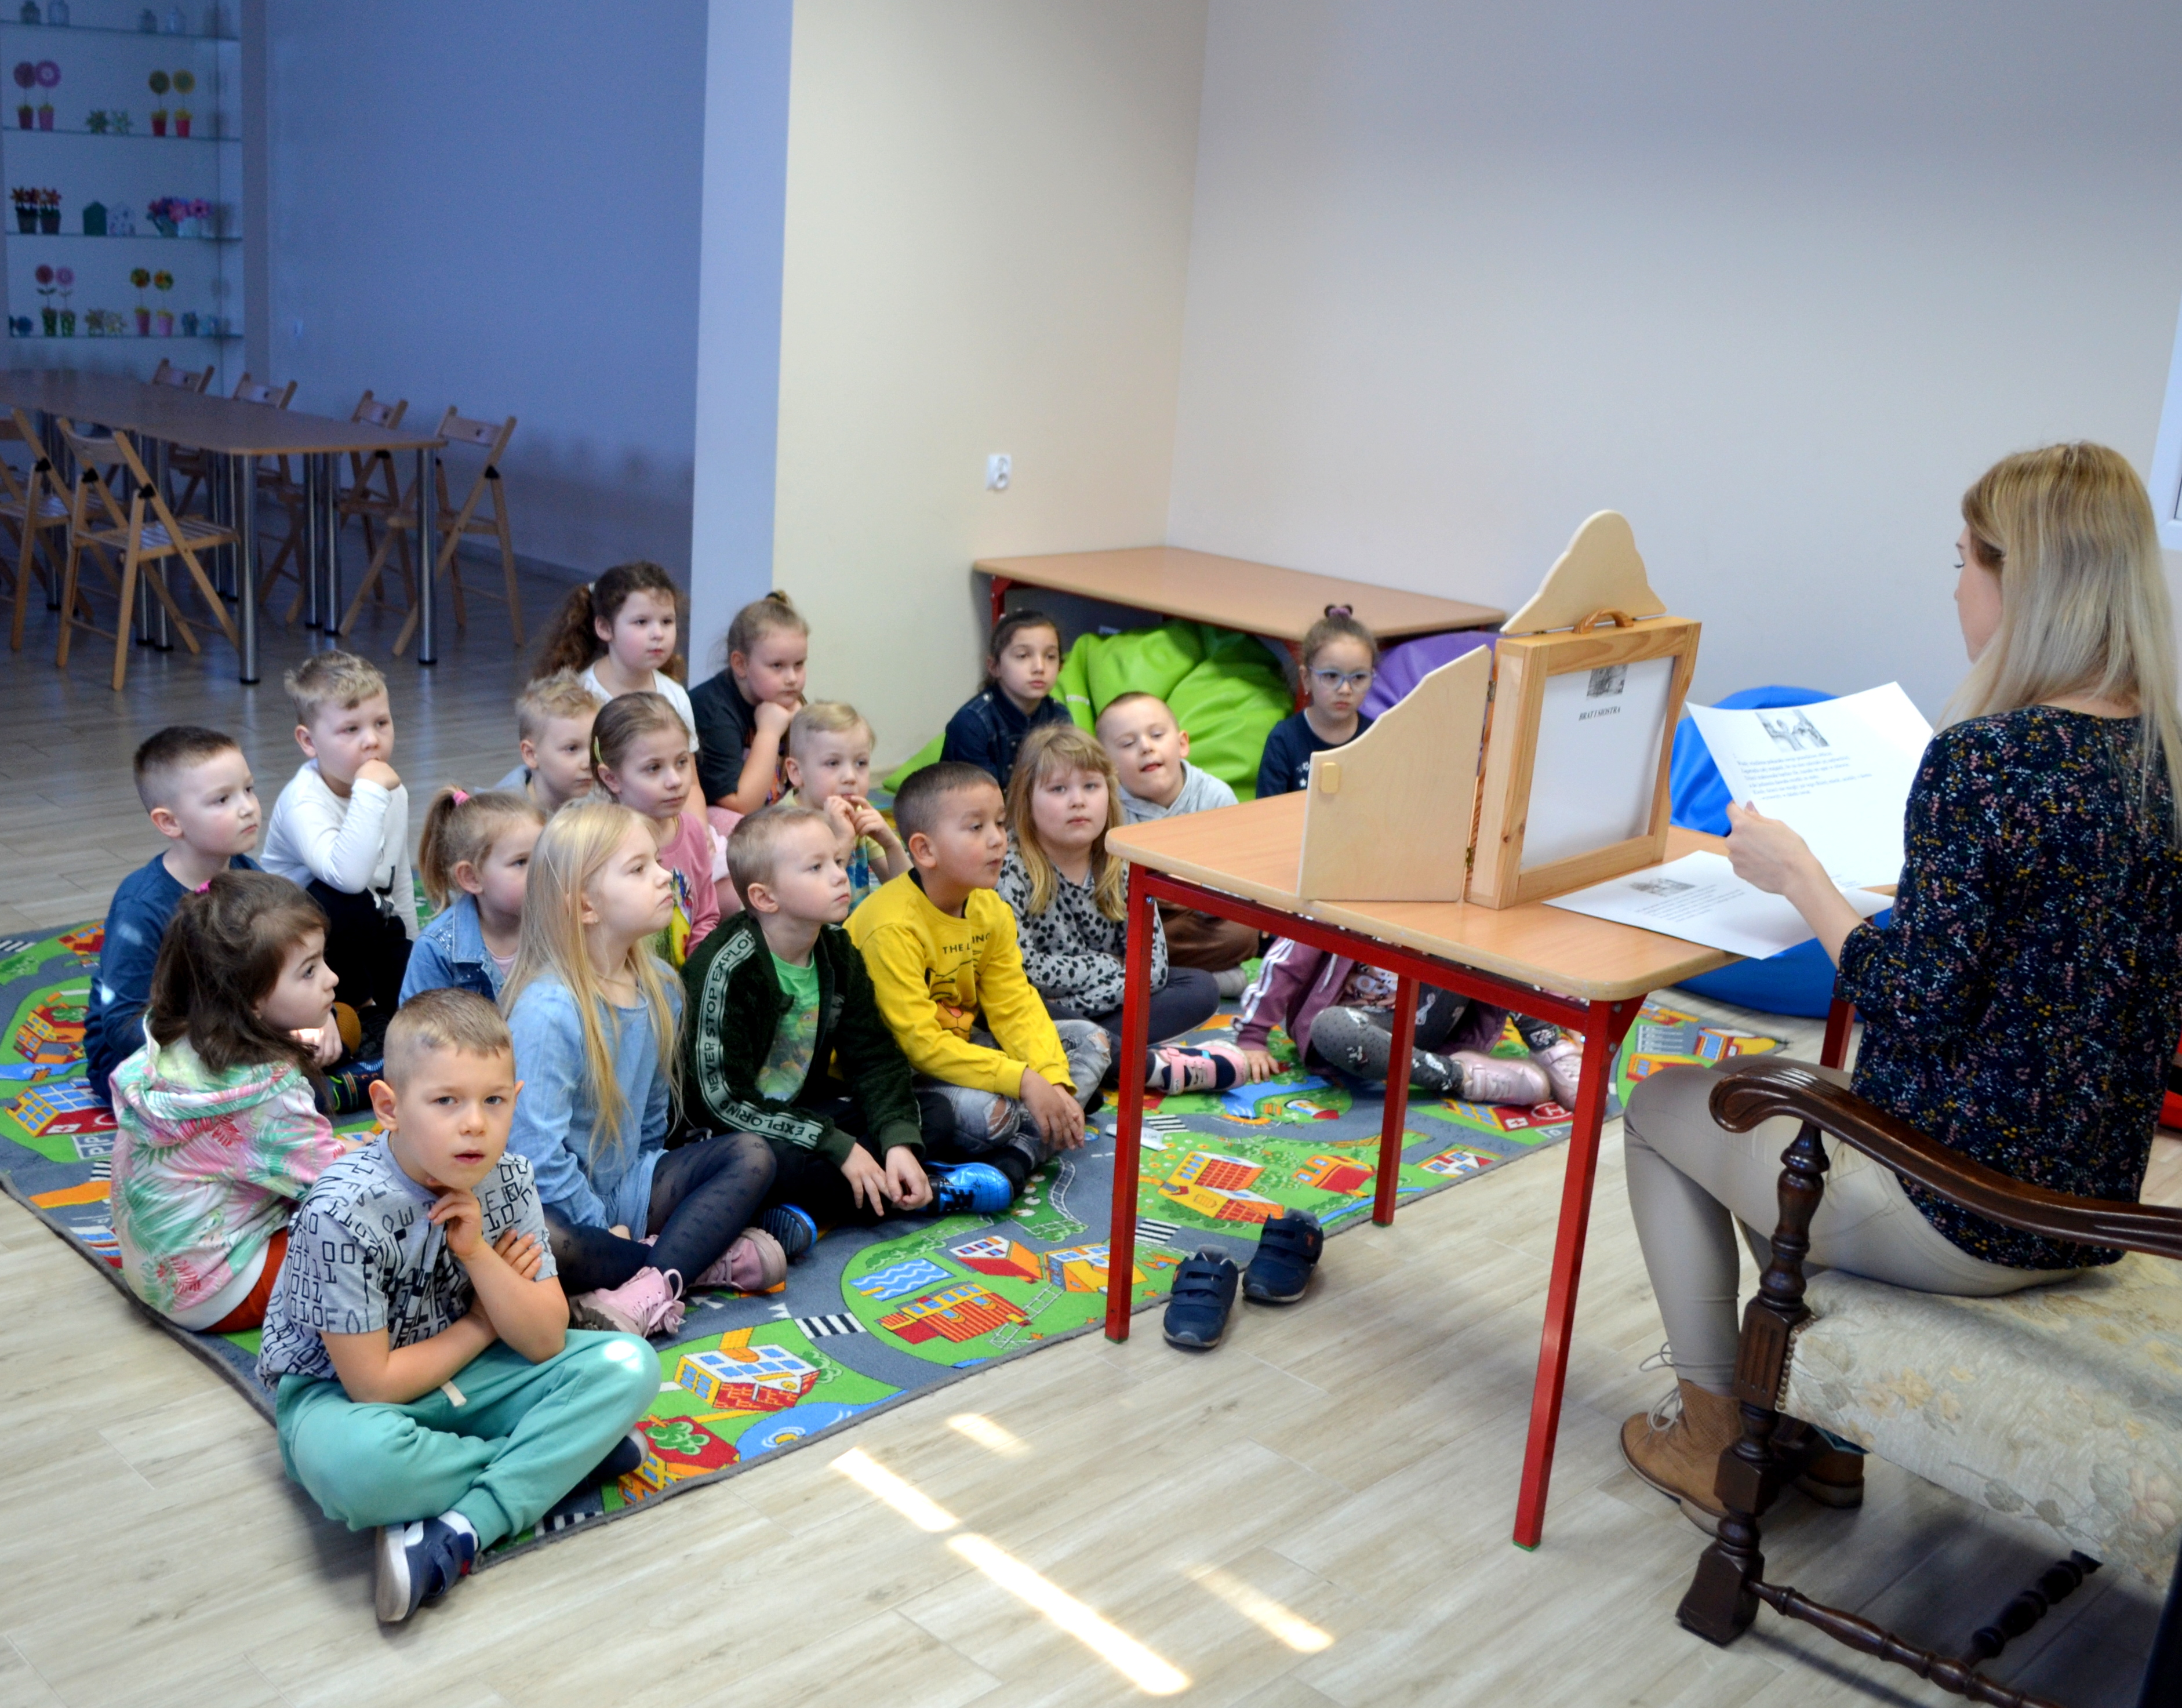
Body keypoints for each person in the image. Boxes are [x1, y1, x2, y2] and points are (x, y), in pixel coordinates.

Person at [1619, 442, 2182, 1531]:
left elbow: (1910, 1002)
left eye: (1964, 562)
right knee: (1783, 1109)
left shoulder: (1985, 760)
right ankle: (1823, 1437)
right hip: (2089, 1203)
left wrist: (1801, 879)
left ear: (2023, 581)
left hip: (1964, 1211)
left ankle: (1710, 1438)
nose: (1955, 588)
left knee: (1662, 1107)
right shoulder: (2159, 759)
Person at [257, 988, 659, 1624]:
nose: (475, 1124)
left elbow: (545, 1340)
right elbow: (373, 1385)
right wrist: (480, 1321)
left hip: (474, 1379)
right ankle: (559, 1460)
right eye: (446, 1101)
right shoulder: (341, 1210)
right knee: (357, 1468)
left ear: (515, 1101)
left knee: (630, 1365)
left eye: (494, 1101)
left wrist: (477, 1255)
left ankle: (465, 1525)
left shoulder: (508, 1180)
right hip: (343, 1400)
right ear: (389, 1108)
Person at [503, 801, 779, 1340]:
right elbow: (535, 1156)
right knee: (549, 1245)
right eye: (638, 869)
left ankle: (645, 1281)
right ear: (585, 906)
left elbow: (652, 1119)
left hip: (628, 1183)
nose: (664, 876)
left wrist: (635, 1203)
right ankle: (686, 1260)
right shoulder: (548, 1010)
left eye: (657, 861)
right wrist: (603, 1227)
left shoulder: (659, 984)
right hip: (559, 1205)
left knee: (753, 1155)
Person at [683, 806, 1008, 1228]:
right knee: (772, 1164)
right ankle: (916, 1193)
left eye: (838, 861)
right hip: (731, 1134)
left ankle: (828, 1203)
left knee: (932, 1116)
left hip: (806, 1111)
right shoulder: (728, 968)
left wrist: (897, 1144)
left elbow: (874, 1057)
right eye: (816, 868)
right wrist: (838, 1146)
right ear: (765, 898)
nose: (840, 876)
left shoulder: (837, 949)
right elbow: (720, 1101)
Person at [848, 762, 1108, 1207]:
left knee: (1091, 1042)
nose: (997, 839)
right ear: (924, 850)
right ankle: (1029, 1141)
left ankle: (1016, 1158)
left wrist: (1052, 1081)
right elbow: (919, 1046)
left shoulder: (989, 908)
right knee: (993, 1116)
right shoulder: (891, 926)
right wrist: (1023, 1081)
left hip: (965, 1049)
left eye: (1000, 824)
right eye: (976, 827)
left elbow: (1016, 1006)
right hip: (900, 1074)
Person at [107, 871, 349, 1332]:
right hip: (218, 1291)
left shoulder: (174, 1043)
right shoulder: (268, 1093)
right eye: (309, 970)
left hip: (155, 1273)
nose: (332, 978)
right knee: (382, 1232)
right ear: (252, 999)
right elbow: (339, 1187)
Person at [997, 722, 1243, 1093]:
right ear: (1026, 799)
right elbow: (1025, 971)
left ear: (1109, 794)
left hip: (1096, 1005)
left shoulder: (1122, 859)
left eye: (1091, 786)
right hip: (1044, 1007)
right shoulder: (1011, 866)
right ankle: (1148, 1067)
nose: (1078, 801)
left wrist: (1081, 1003)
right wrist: (1106, 965)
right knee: (1020, 1006)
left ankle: (1088, 1049)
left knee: (1200, 987)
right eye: (1058, 789)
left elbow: (1152, 967)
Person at [84, 725, 267, 1102]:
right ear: (170, 822)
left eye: (248, 789)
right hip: (141, 1054)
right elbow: (121, 1024)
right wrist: (219, 1041)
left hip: (230, 1026)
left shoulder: (250, 876)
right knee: (260, 1090)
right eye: (222, 799)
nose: (247, 807)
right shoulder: (142, 907)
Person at [260, 650, 418, 1033]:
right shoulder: (303, 802)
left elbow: (397, 879)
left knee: (418, 1000)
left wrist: (411, 950)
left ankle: (385, 1017)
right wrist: (369, 793)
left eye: (382, 723)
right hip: (297, 949)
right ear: (309, 741)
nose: (372, 741)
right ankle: (361, 1014)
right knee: (347, 901)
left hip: (366, 931)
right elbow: (347, 878)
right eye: (351, 729)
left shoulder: (390, 793)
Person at [1232, 937, 1565, 1105]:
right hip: (1366, 1031)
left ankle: (1551, 1049)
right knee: (1329, 1026)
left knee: (1488, 937)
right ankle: (1461, 1076)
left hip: (1436, 1017)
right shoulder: (1342, 888)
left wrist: (1561, 1010)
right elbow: (1285, 964)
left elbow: (1513, 955)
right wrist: (1253, 1035)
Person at [1096, 691, 1259, 993]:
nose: (1146, 747)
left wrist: (1196, 891)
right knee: (1109, 936)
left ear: (1182, 743)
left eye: (1157, 735)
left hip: (1200, 914)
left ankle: (1144, 976)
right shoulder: (1107, 807)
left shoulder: (1214, 796)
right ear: (1108, 766)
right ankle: (1195, 980)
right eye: (1128, 744)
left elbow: (1239, 880)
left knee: (1244, 931)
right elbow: (1106, 889)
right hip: (1138, 918)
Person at [591, 691, 723, 964]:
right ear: (611, 778)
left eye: (682, 762)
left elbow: (705, 917)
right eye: (653, 768)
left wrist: (699, 972)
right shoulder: (601, 845)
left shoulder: (692, 831)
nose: (675, 781)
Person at [401, 788, 547, 1004]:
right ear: (472, 878)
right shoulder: (438, 949)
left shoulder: (558, 925)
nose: (540, 871)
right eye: (521, 862)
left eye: (544, 857)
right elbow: (419, 1023)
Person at [530, 561, 697, 749]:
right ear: (605, 628)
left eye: (667, 621)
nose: (658, 634)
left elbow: (688, 767)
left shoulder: (675, 696)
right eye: (641, 622)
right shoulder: (580, 699)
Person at [778, 700, 909, 909]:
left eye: (861, 763)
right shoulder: (784, 828)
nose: (850, 777)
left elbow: (908, 893)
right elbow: (812, 908)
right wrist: (844, 841)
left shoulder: (857, 814)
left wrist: (890, 844)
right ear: (796, 772)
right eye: (833, 763)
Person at [690, 590, 809, 820]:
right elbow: (741, 808)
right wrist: (769, 733)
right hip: (720, 825)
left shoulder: (785, 697)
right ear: (741, 665)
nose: (792, 678)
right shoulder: (714, 713)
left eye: (799, 664)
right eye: (777, 666)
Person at [940, 607, 1072, 788]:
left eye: (1050, 656)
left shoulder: (1059, 716)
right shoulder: (972, 723)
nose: (1040, 667)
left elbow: (1067, 779)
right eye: (1023, 656)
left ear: (1060, 667)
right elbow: (977, 797)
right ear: (995, 667)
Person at [1256, 606, 1377, 798]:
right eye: (1331, 676)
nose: (1345, 689)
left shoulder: (1377, 736)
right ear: (1306, 678)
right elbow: (1266, 810)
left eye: (1359, 677)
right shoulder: (1284, 739)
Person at [496, 668, 605, 816]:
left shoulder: (604, 801)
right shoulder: (502, 818)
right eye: (572, 749)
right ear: (531, 754)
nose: (589, 763)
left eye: (594, 747)